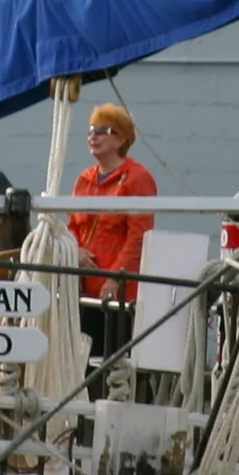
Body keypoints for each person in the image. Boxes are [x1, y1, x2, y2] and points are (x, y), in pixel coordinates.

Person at [69, 104, 156, 364]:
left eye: (102, 131)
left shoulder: (137, 179)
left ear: (121, 139)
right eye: (90, 131)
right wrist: (76, 250)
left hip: (119, 294)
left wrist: (115, 277)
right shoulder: (84, 179)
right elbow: (72, 226)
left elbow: (139, 236)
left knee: (115, 365)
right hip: (84, 288)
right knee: (82, 363)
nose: (92, 136)